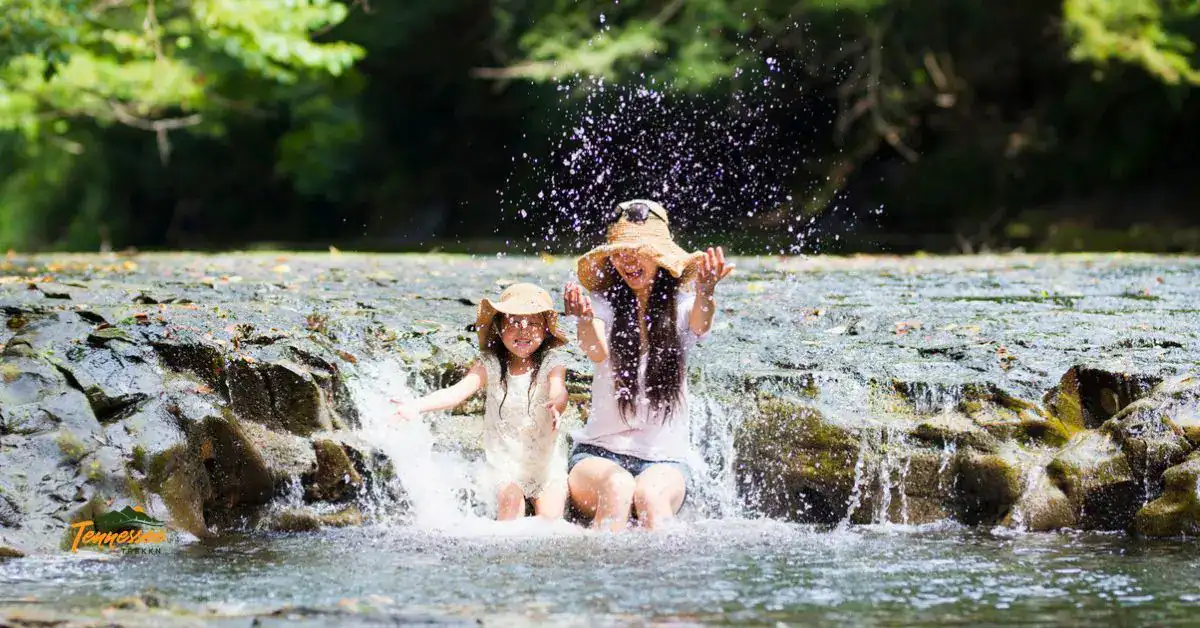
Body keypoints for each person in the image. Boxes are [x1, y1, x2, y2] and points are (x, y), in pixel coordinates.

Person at [563, 199, 733, 531]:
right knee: (618, 487)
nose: (628, 260)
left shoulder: (683, 306)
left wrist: (707, 292)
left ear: (659, 257)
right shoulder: (602, 305)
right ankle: (601, 580)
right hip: (598, 456)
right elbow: (595, 350)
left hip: (665, 462)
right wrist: (584, 320)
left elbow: (701, 324)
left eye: (639, 250)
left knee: (650, 496)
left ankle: (664, 582)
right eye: (620, 252)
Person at [393, 283, 570, 520]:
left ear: (546, 330)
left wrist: (557, 404)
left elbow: (559, 389)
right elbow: (457, 392)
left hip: (546, 462)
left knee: (551, 521)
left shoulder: (552, 362)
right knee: (510, 503)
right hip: (506, 462)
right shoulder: (491, 364)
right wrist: (415, 406)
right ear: (499, 327)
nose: (523, 331)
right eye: (514, 322)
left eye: (533, 324)